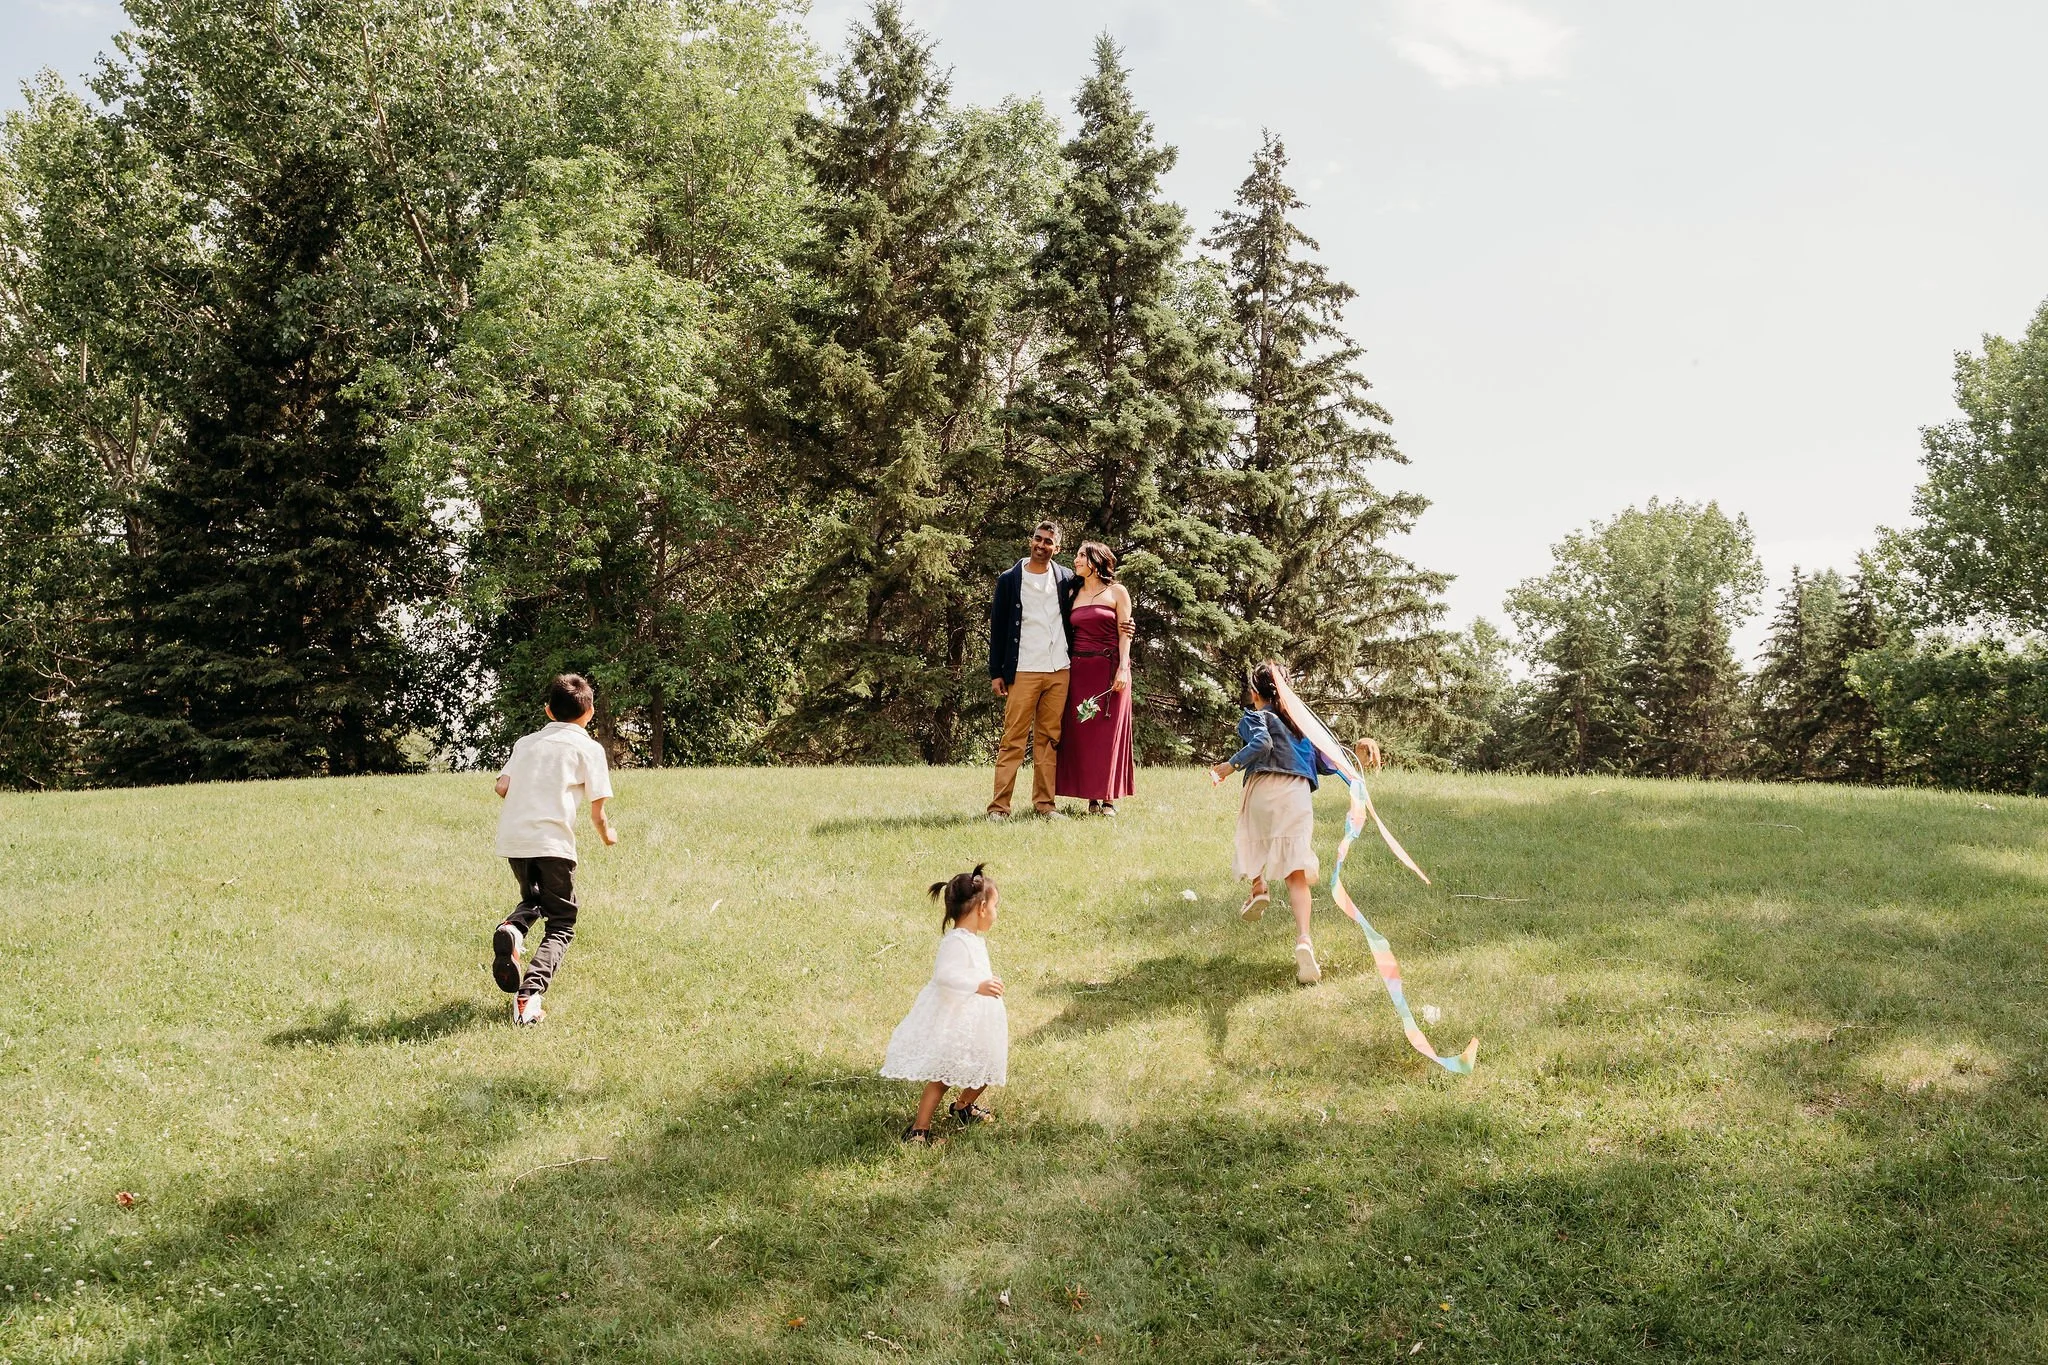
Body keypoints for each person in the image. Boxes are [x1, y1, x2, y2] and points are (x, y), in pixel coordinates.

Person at [490, 673, 617, 1026]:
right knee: (562, 921)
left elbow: (502, 786)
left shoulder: (526, 743)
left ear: (548, 711)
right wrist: (609, 837)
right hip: (554, 844)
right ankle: (528, 997)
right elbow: (598, 811)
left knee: (533, 899)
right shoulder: (589, 749)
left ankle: (514, 929)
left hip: (515, 840)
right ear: (590, 712)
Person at [1209, 662, 1324, 985]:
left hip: (1264, 788)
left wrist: (1230, 766)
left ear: (1255, 693)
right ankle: (1304, 939)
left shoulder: (1256, 716)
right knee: (1296, 871)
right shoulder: (1301, 725)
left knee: (1252, 834)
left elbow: (1262, 745)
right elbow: (1324, 761)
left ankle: (1258, 886)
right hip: (1296, 792)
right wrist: (1350, 774)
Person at [880, 865, 1008, 1145]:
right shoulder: (956, 942)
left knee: (985, 1067)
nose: (998, 914)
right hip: (957, 1021)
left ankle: (963, 1107)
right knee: (942, 1078)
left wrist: (987, 982)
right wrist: (978, 986)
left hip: (977, 1022)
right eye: (996, 906)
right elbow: (945, 976)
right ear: (982, 907)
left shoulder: (973, 940)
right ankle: (919, 1129)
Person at [987, 521, 1080, 818]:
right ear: (1031, 540)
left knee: (1049, 739)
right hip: (1024, 669)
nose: (1041, 545)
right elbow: (998, 628)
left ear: (1058, 547)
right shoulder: (1010, 580)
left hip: (1059, 669)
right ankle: (999, 807)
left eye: (1048, 542)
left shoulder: (1066, 578)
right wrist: (996, 672)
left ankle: (1044, 805)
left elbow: (1097, 593)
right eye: (1037, 539)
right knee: (1013, 739)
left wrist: (1123, 621)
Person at [1055, 540, 1135, 814]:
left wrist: (1123, 667)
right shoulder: (1072, 594)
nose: (1075, 560)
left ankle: (1109, 798)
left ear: (1095, 561)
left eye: (1080, 556)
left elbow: (1126, 633)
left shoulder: (1117, 592)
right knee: (1084, 733)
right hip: (1079, 671)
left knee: (1108, 734)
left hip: (1110, 668)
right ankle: (1091, 797)